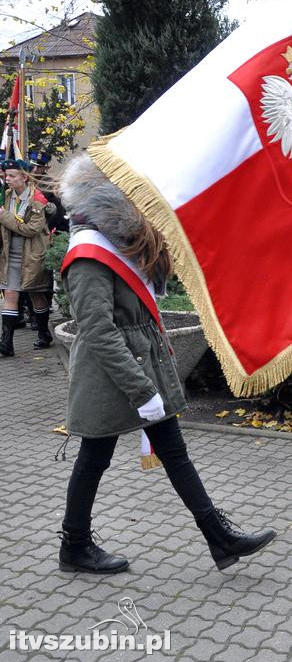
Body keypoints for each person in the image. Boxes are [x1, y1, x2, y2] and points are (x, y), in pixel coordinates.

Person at [56, 154, 276, 574]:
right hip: (112, 375)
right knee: (94, 459)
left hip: (141, 365)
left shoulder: (116, 243)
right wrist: (142, 390)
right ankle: (75, 546)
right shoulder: (88, 253)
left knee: (174, 452)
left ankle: (219, 537)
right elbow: (98, 331)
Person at [0, 159, 54, 355]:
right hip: (11, 253)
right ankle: (6, 343)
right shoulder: (5, 196)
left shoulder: (37, 198)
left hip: (32, 253)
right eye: (6, 176)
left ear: (24, 177)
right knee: (11, 294)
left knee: (35, 294)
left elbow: (31, 229)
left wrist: (4, 216)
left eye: (12, 176)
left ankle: (43, 334)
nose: (8, 179)